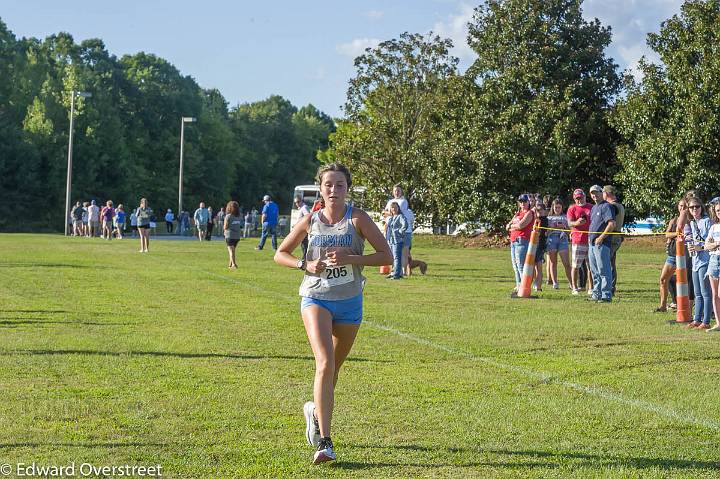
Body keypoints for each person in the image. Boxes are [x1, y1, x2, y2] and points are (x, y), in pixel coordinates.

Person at [273, 163, 392, 465]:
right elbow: (280, 253)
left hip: (350, 301)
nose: (334, 190)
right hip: (316, 298)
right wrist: (304, 265)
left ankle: (314, 410)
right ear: (321, 188)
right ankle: (325, 442)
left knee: (333, 370)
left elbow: (386, 256)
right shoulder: (310, 220)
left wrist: (350, 258)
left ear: (347, 188)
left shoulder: (358, 218)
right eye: (328, 184)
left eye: (339, 185)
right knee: (324, 363)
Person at [656, 199, 687, 312]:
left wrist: (674, 235)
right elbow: (667, 234)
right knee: (663, 279)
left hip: (685, 255)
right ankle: (663, 306)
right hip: (672, 254)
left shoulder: (689, 220)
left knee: (685, 283)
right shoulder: (674, 220)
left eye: (685, 206)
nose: (682, 208)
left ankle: (684, 307)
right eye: (680, 205)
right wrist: (677, 234)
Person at [587, 184, 616, 302]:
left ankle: (606, 295)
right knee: (594, 271)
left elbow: (611, 224)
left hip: (601, 244)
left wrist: (602, 237)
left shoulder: (606, 207)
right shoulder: (594, 208)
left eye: (596, 192)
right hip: (592, 243)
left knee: (604, 270)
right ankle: (596, 294)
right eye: (592, 193)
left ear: (601, 193)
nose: (594, 195)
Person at [687, 197, 712, 329]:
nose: (694, 209)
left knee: (705, 293)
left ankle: (706, 321)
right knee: (697, 292)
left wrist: (700, 248)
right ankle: (697, 319)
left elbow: (712, 243)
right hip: (695, 260)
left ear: (701, 207)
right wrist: (691, 246)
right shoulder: (692, 223)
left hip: (705, 260)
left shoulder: (707, 221)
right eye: (691, 207)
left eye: (697, 206)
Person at [506, 194, 535, 293]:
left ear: (528, 202)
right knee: (515, 266)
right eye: (521, 202)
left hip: (522, 240)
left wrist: (511, 226)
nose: (522, 203)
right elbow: (508, 226)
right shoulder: (517, 213)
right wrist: (512, 225)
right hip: (513, 240)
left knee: (521, 265)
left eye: (524, 201)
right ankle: (518, 286)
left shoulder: (529, 213)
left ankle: (524, 287)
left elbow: (521, 226)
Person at [567, 189, 593, 295]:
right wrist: (577, 223)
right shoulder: (572, 208)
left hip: (591, 240)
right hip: (577, 240)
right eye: (577, 198)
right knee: (575, 265)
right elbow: (569, 223)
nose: (579, 200)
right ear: (574, 198)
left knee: (590, 266)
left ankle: (591, 288)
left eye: (581, 197)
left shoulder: (591, 207)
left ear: (584, 196)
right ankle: (574, 287)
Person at [546, 199, 572, 289]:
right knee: (553, 262)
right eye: (555, 207)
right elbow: (545, 233)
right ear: (552, 208)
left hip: (563, 239)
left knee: (566, 263)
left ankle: (571, 283)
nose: (557, 209)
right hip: (551, 240)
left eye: (559, 207)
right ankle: (555, 283)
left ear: (562, 208)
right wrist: (552, 227)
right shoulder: (548, 218)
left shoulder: (565, 217)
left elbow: (570, 232)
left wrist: (564, 227)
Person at [604, 185, 625, 294]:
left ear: (606, 194)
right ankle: (611, 286)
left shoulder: (611, 206)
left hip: (611, 237)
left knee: (607, 263)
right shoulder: (620, 206)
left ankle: (609, 287)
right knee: (612, 263)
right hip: (617, 236)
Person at [704, 197, 720, 332]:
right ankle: (718, 323)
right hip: (714, 260)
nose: (719, 212)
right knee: (714, 294)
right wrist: (715, 244)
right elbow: (706, 245)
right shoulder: (714, 227)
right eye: (718, 210)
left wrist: (713, 245)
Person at [386, 201, 408, 280]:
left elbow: (405, 225)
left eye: (395, 207)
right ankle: (393, 272)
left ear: (398, 208)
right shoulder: (392, 218)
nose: (394, 209)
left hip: (398, 240)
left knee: (396, 257)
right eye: (392, 207)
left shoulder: (400, 216)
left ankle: (396, 274)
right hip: (391, 240)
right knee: (392, 257)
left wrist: (399, 232)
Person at [533, 201, 549, 291]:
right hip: (534, 243)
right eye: (537, 210)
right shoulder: (535, 218)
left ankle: (538, 286)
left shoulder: (544, 219)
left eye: (540, 210)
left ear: (544, 211)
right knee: (534, 266)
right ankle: (536, 283)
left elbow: (539, 230)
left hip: (540, 244)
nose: (539, 212)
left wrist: (536, 217)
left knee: (538, 266)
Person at [224, 201, 243, 269]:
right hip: (237, 236)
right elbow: (240, 225)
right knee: (233, 250)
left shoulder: (228, 216)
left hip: (230, 235)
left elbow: (225, 227)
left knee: (231, 250)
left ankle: (234, 264)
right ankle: (230, 264)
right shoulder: (239, 216)